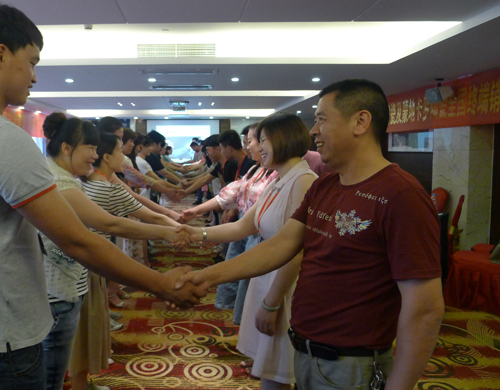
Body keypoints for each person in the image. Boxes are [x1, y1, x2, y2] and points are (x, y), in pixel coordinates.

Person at [0, 4, 203, 389]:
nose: (35, 76)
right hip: (2, 342)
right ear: (1, 54)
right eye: (32, 62)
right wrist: (161, 284)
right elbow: (77, 239)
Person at [177, 79, 444, 390]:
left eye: (321, 119)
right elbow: (282, 244)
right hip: (305, 349)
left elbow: (424, 309)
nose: (313, 131)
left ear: (360, 122)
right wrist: (206, 277)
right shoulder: (325, 186)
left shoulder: (401, 195)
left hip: (350, 363)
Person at [39, 114, 191, 390]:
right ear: (66, 148)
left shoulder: (70, 178)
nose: (95, 155)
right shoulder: (61, 183)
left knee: (69, 352)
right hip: (59, 286)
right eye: (91, 148)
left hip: (72, 278)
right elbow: (110, 224)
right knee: (54, 370)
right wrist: (167, 234)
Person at [176, 114, 317, 390]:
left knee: (279, 369)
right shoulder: (278, 179)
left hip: (284, 284)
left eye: (262, 140)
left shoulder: (304, 181)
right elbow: (242, 226)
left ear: (283, 140)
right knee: (269, 368)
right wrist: (194, 233)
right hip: (265, 273)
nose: (257, 147)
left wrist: (272, 303)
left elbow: (296, 251)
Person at [181, 124, 278, 324]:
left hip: (259, 236)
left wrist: (205, 233)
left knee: (253, 290)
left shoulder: (279, 174)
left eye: (250, 141)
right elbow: (231, 193)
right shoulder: (256, 169)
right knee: (242, 286)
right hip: (246, 232)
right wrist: (196, 212)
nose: (248, 147)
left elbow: (247, 221)